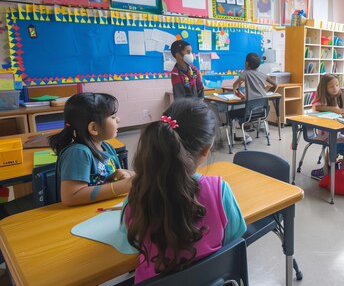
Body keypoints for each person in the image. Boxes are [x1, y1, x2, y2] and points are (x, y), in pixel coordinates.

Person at [124, 99, 246, 283]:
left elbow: (134, 247)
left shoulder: (137, 194)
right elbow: (231, 242)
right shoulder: (220, 190)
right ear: (206, 150)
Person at [49, 93, 134, 206]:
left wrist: (124, 176)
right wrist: (123, 186)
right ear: (94, 128)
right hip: (83, 217)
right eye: (113, 117)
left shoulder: (107, 147)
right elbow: (71, 196)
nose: (118, 120)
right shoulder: (78, 153)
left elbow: (106, 178)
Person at [309, 74, 344, 180]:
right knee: (335, 142)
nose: (335, 88)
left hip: (340, 130)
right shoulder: (321, 97)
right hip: (325, 132)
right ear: (325, 88)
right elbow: (318, 107)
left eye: (337, 85)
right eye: (331, 86)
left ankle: (343, 172)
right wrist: (335, 109)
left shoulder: (341, 93)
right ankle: (326, 170)